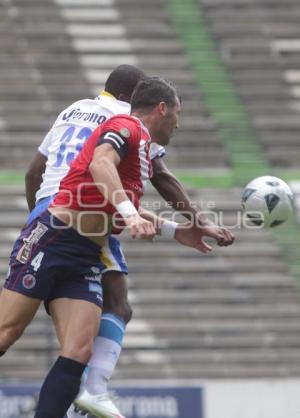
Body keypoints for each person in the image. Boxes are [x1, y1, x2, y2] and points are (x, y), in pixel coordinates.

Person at [0, 77, 227, 418]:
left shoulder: (138, 158)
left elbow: (109, 209)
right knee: (7, 331)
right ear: (162, 109)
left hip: (85, 256)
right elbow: (100, 163)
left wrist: (178, 231)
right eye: (178, 113)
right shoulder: (125, 126)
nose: (179, 123)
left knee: (79, 350)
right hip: (53, 237)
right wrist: (130, 215)